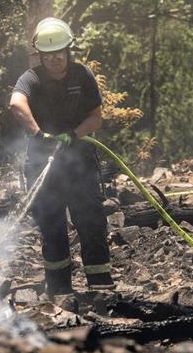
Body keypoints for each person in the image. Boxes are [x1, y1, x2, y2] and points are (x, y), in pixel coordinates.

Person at [9, 17, 115, 295]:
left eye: (59, 53)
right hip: (43, 163)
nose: (55, 59)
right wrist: (38, 133)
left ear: (68, 50)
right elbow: (16, 103)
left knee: (91, 221)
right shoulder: (31, 78)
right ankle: (59, 292)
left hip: (80, 162)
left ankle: (100, 287)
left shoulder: (82, 76)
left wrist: (74, 134)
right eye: (48, 55)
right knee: (52, 225)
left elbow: (96, 118)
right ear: (40, 55)